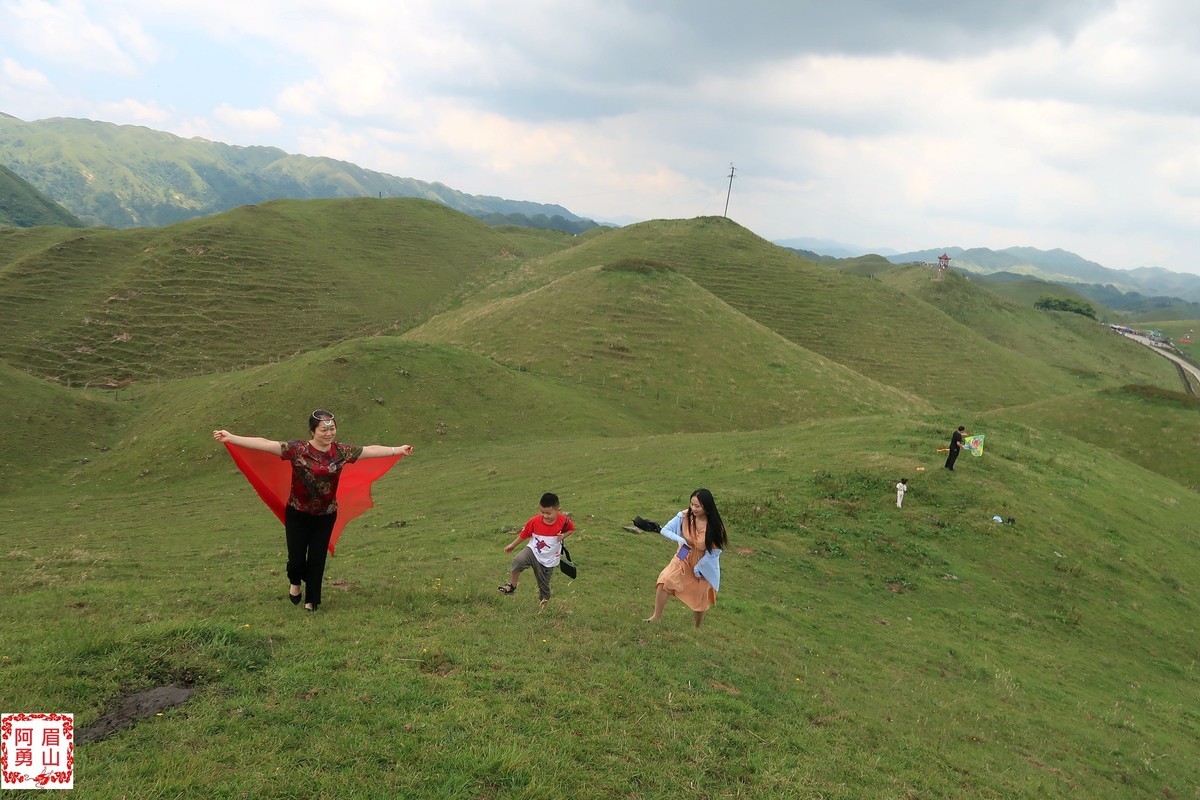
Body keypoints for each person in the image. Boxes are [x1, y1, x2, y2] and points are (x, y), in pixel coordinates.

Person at [213, 409, 413, 612]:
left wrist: (398, 449)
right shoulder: (297, 449)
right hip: (297, 513)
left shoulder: (341, 452)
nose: (329, 433)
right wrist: (232, 437)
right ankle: (295, 582)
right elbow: (265, 444)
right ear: (312, 431)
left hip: (326, 515)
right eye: (323, 430)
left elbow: (369, 450)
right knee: (297, 558)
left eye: (332, 429)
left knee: (317, 558)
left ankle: (312, 600)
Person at [645, 488, 727, 629]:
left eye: (697, 506)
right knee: (665, 579)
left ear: (706, 507)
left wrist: (699, 568)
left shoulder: (715, 526)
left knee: (700, 599)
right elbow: (665, 530)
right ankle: (656, 617)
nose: (693, 508)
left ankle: (697, 627)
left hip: (703, 563)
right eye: (692, 504)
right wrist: (680, 539)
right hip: (684, 553)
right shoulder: (684, 516)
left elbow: (715, 552)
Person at [498, 492, 575, 609]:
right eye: (542, 512)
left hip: (549, 558)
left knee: (544, 585)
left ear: (558, 510)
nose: (545, 516)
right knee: (517, 561)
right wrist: (512, 545)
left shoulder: (564, 521)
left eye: (548, 513)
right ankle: (512, 586)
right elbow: (524, 534)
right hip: (533, 551)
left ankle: (543, 607)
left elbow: (571, 529)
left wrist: (563, 536)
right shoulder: (534, 521)